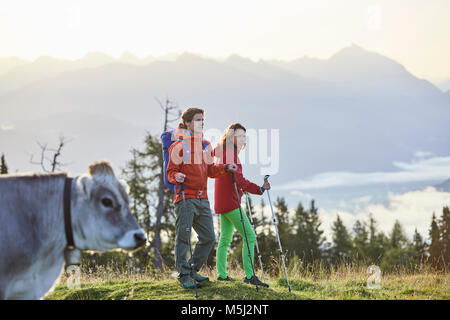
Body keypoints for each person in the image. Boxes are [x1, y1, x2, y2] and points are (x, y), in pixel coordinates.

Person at [166, 107, 237, 289]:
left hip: (202, 199)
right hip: (185, 198)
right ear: (188, 123)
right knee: (183, 237)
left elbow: (211, 171)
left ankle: (191, 269)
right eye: (198, 120)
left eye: (203, 120)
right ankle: (184, 276)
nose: (201, 123)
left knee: (208, 237)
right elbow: (170, 172)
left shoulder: (206, 145)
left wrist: (225, 168)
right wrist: (177, 177)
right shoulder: (178, 146)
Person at [213, 122, 270, 287]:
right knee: (250, 236)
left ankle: (222, 275)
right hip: (231, 202)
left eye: (244, 136)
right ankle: (250, 275)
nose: (242, 138)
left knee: (225, 239)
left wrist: (240, 188)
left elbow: (232, 179)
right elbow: (240, 180)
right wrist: (260, 189)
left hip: (222, 201)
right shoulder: (229, 154)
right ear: (231, 137)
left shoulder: (223, 152)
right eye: (239, 135)